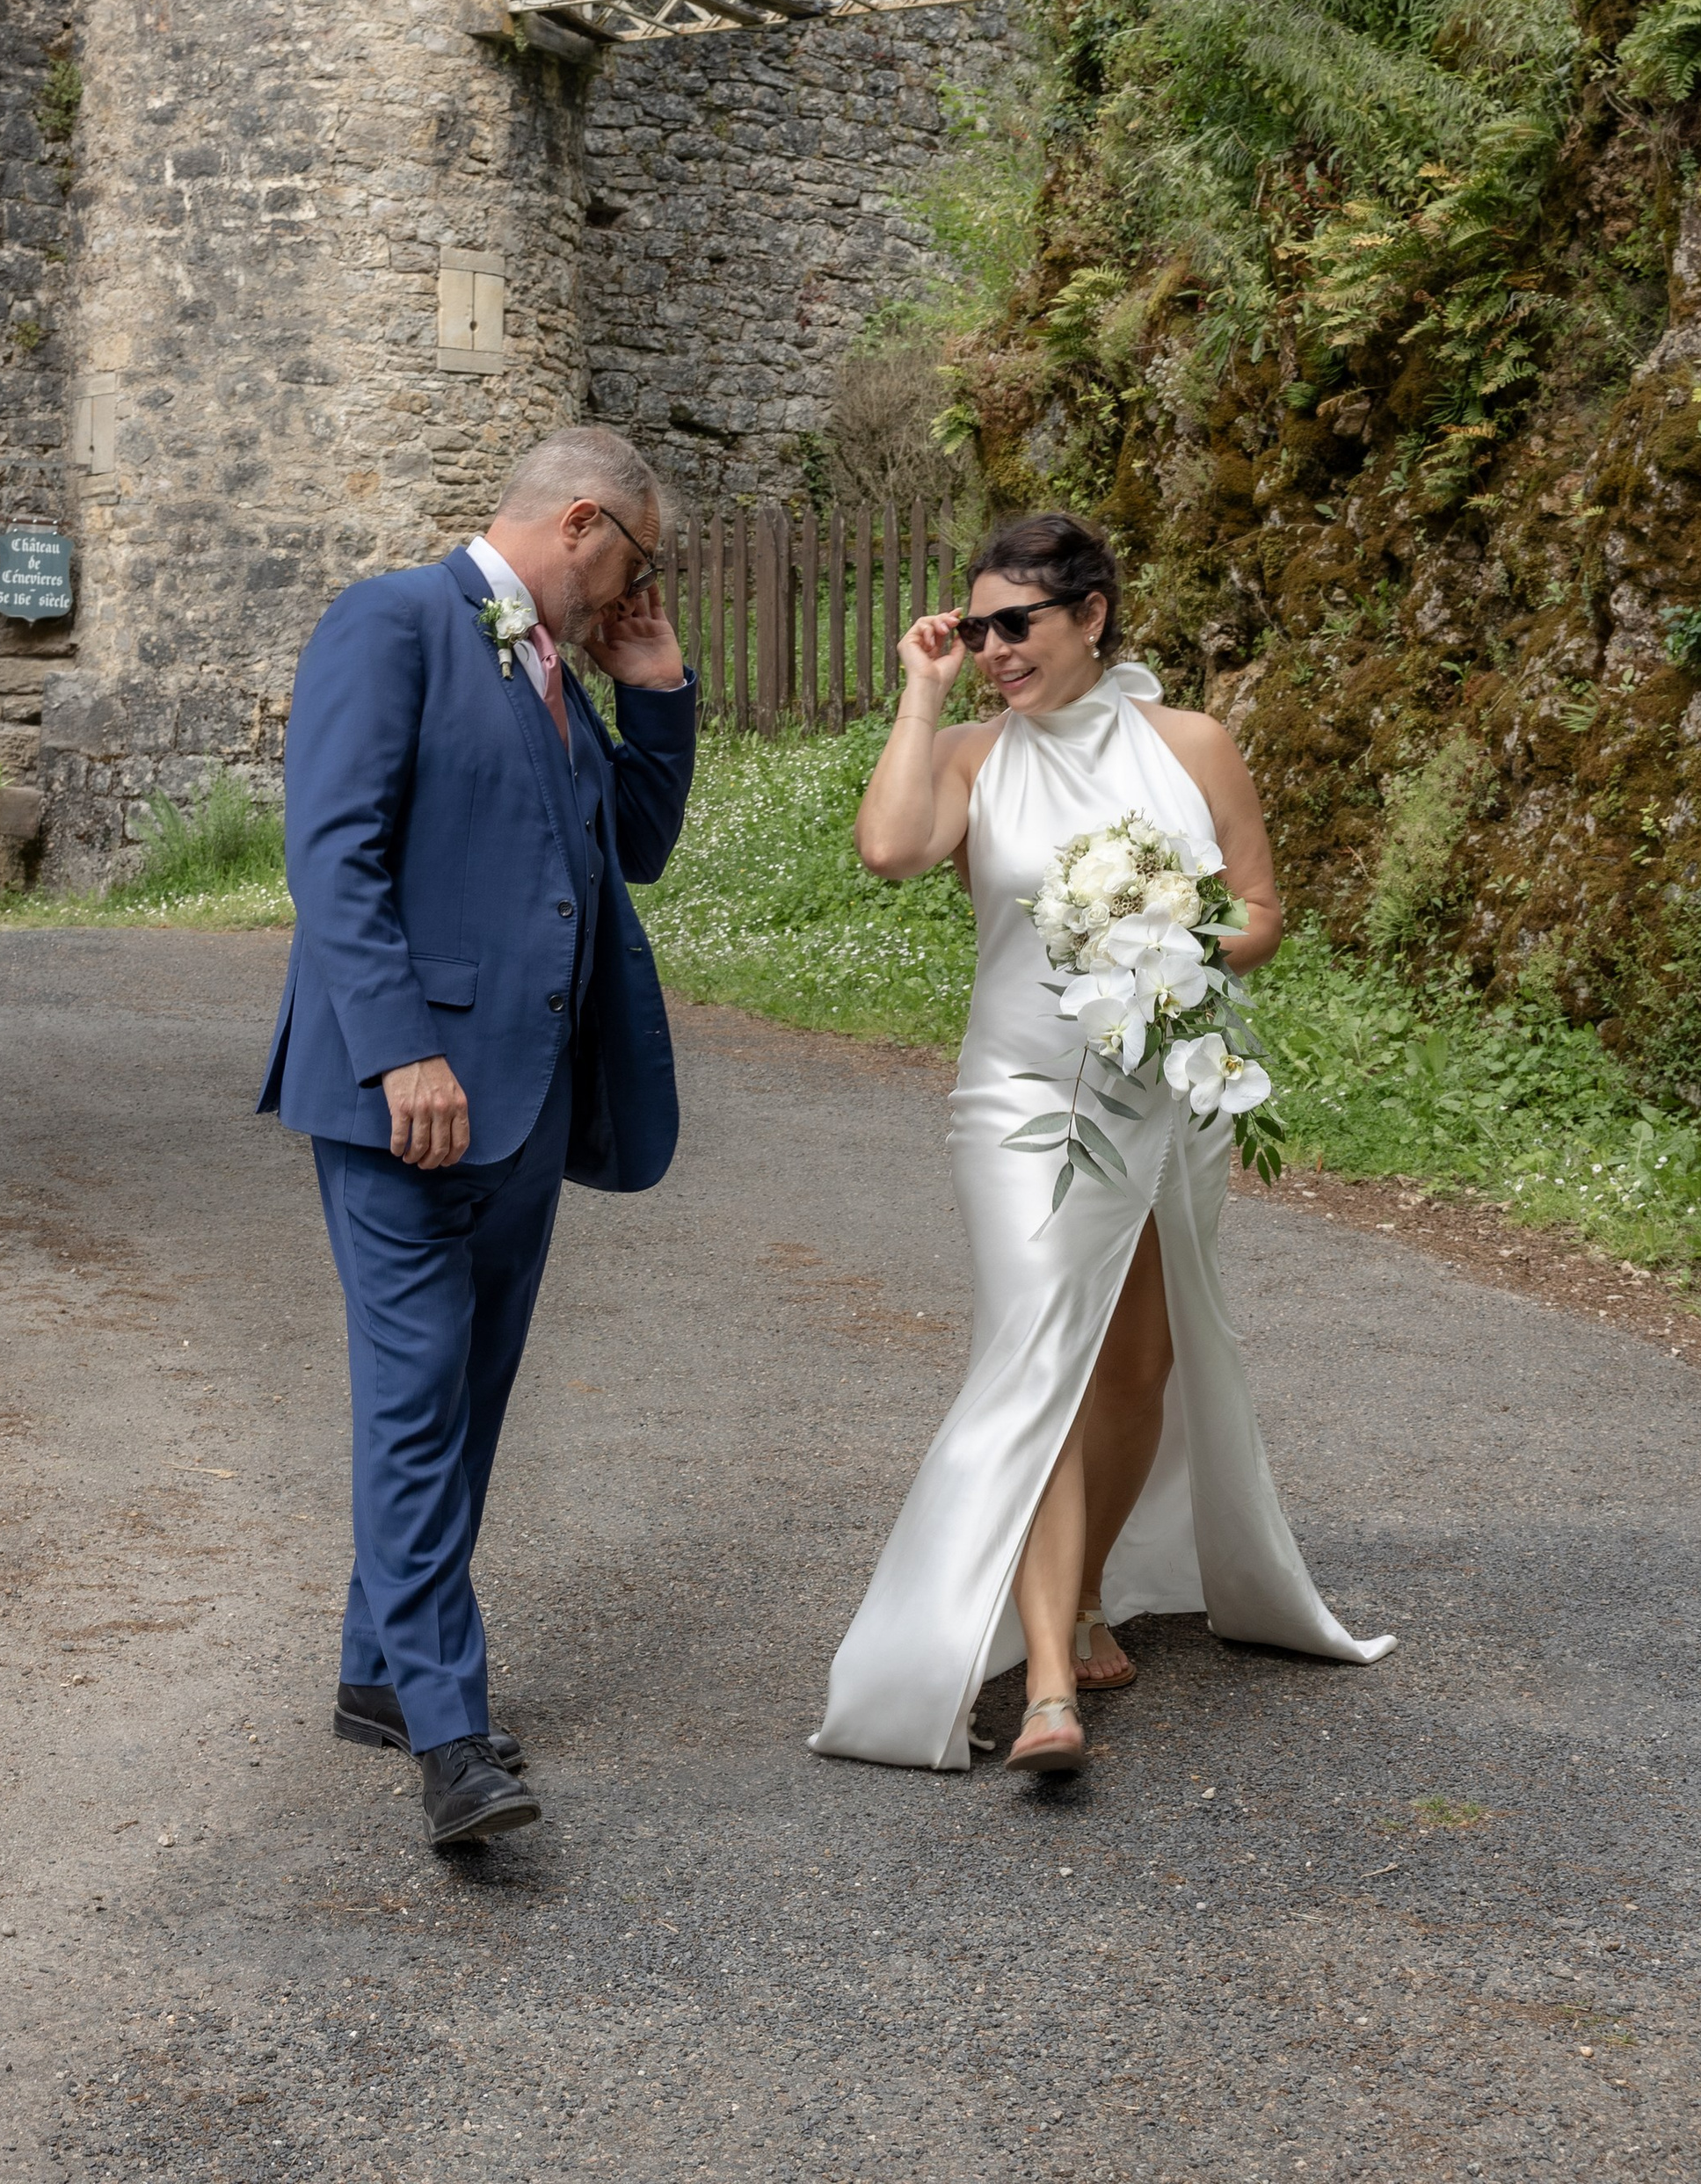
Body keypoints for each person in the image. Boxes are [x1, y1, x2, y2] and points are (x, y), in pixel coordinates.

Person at [811, 512, 1392, 1778]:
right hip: (1019, 1102)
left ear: (1094, 615)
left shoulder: (1193, 745)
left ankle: (1074, 1600)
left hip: (1165, 1092)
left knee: (1133, 1368)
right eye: (976, 628)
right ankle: (1050, 1693)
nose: (994, 649)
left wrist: (1166, 945)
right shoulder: (971, 754)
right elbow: (889, 851)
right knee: (1033, 1359)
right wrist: (922, 694)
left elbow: (1261, 909)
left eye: (1015, 625)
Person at [258, 429, 696, 1848]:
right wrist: (399, 1047)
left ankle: (380, 1671)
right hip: (406, 1096)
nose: (633, 591)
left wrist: (660, 694)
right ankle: (452, 1738)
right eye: (636, 564)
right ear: (584, 524)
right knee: (412, 1398)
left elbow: (628, 847)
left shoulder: (559, 670)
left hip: (528, 1098)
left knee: (466, 1397)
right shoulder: (392, 621)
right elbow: (334, 852)